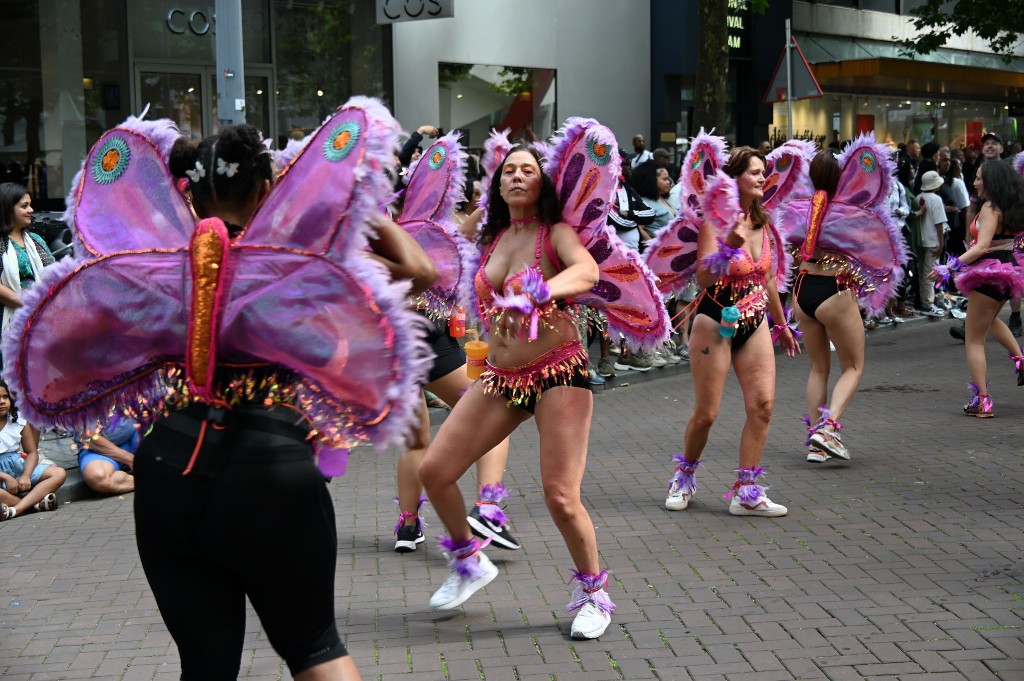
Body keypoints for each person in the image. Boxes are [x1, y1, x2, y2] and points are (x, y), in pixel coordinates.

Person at [417, 143, 614, 640]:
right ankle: (469, 561)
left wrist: (542, 290)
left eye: (529, 170)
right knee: (435, 470)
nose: (518, 177)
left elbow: (587, 271)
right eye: (509, 171)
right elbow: (434, 247)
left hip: (557, 371)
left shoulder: (556, 234)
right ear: (496, 182)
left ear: (543, 182)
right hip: (501, 376)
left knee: (561, 497)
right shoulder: (494, 235)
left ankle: (593, 594)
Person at [663, 146, 799, 517]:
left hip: (754, 320)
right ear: (734, 177)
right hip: (714, 322)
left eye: (764, 173)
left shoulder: (764, 221)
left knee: (763, 407)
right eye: (754, 172)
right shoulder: (716, 221)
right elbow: (705, 277)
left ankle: (747, 490)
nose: (762, 178)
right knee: (707, 414)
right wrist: (731, 245)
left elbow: (768, 277)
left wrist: (782, 324)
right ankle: (684, 475)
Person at [931, 161, 1024, 417]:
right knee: (991, 320)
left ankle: (982, 401)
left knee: (973, 340)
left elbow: (982, 246)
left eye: (980, 178)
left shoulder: (990, 208)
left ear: (992, 181)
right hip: (1008, 272)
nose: (975, 183)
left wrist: (950, 267)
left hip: (989, 274)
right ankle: (1020, 361)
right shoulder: (1011, 207)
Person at [791, 151, 867, 462]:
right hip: (834, 289)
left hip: (803, 289)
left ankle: (814, 444)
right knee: (853, 367)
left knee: (818, 368)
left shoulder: (801, 208)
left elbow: (794, 250)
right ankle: (828, 429)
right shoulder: (845, 211)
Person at [0, 380, 65, 520]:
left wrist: (26, 475)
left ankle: (16, 510)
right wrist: (6, 478)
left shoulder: (18, 422)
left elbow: (31, 452)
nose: (2, 401)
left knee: (58, 473)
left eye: (5, 397)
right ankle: (35, 506)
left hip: (17, 465)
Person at [0, 183, 55, 345]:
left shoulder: (36, 240)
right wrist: (27, 303)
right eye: (24, 206)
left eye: (30, 205)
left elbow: (54, 274)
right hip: (10, 320)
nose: (31, 210)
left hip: (42, 319)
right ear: (7, 209)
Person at [76, 415, 138, 495]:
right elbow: (87, 435)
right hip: (96, 449)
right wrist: (130, 459)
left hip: (137, 435)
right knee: (99, 479)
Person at [915, 170, 949, 317]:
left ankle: (924, 301)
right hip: (933, 240)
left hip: (920, 240)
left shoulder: (918, 197)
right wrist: (941, 243)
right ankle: (928, 304)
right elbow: (939, 224)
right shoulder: (936, 199)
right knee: (930, 272)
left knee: (922, 270)